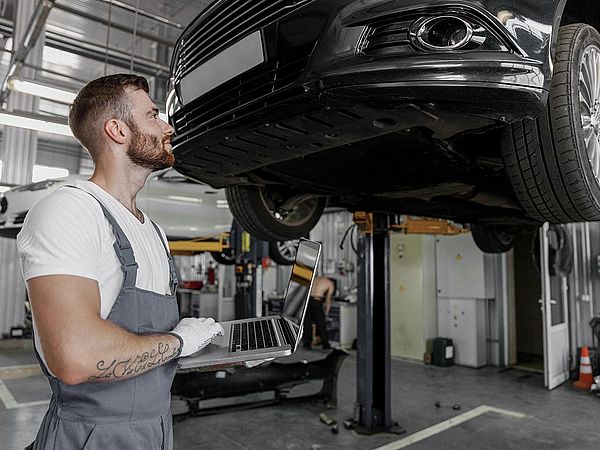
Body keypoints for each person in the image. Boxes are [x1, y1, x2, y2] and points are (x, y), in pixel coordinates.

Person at [17, 74, 224, 450]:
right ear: (117, 130)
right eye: (153, 115)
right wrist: (180, 342)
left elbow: (145, 345)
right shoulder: (70, 211)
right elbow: (76, 357)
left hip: (155, 430)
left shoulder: (153, 231)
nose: (168, 126)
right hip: (91, 437)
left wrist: (220, 353)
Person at [303, 276, 335, 350]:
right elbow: (328, 300)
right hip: (317, 301)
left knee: (307, 323)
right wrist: (326, 312)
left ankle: (307, 344)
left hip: (308, 301)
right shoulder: (330, 284)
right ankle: (326, 345)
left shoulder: (316, 278)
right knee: (321, 324)